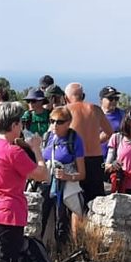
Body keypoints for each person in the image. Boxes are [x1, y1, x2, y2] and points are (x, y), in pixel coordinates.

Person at [0, 102, 50, 262]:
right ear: (13, 125)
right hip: (10, 213)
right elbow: (42, 175)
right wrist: (36, 149)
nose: (21, 127)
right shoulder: (14, 152)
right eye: (20, 123)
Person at [40, 106, 87, 252]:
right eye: (52, 121)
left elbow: (82, 174)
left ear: (68, 123)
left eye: (59, 122)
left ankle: (64, 252)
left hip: (64, 186)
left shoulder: (75, 140)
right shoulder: (47, 137)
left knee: (62, 221)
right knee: (42, 217)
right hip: (46, 183)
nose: (54, 125)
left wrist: (67, 176)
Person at [65, 82, 114, 215]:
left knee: (75, 205)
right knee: (97, 203)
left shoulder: (66, 111)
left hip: (75, 161)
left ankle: (76, 235)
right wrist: (96, 141)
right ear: (83, 96)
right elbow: (110, 132)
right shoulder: (96, 109)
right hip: (96, 159)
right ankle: (97, 233)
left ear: (66, 97)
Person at [99, 86, 125, 157]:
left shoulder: (123, 115)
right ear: (101, 100)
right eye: (110, 98)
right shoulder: (94, 115)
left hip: (118, 160)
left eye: (116, 98)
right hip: (99, 158)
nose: (114, 101)